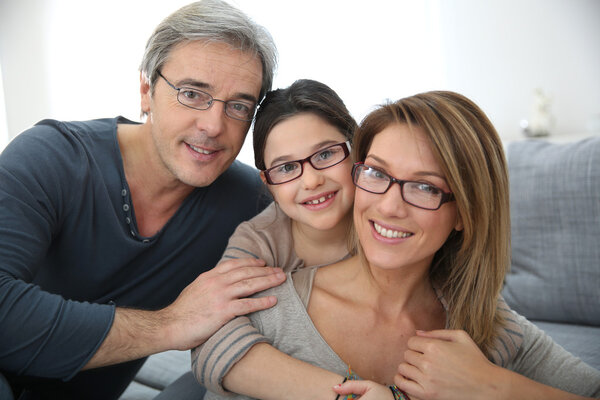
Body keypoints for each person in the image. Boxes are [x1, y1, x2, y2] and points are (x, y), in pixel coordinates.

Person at [199, 91, 600, 400]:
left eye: (424, 187)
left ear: (464, 212)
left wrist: (494, 387)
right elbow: (207, 338)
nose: (389, 206)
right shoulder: (268, 295)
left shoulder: (487, 324)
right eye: (377, 174)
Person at [0, 1, 286, 399]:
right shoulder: (50, 157)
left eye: (238, 106)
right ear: (147, 90)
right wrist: (171, 324)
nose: (213, 125)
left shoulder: (249, 200)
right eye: (192, 94)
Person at [188, 78, 357, 393]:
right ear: (267, 183)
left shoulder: (388, 216)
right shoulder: (258, 240)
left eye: (325, 155)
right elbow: (210, 337)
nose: (311, 181)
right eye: (287, 168)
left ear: (354, 149)